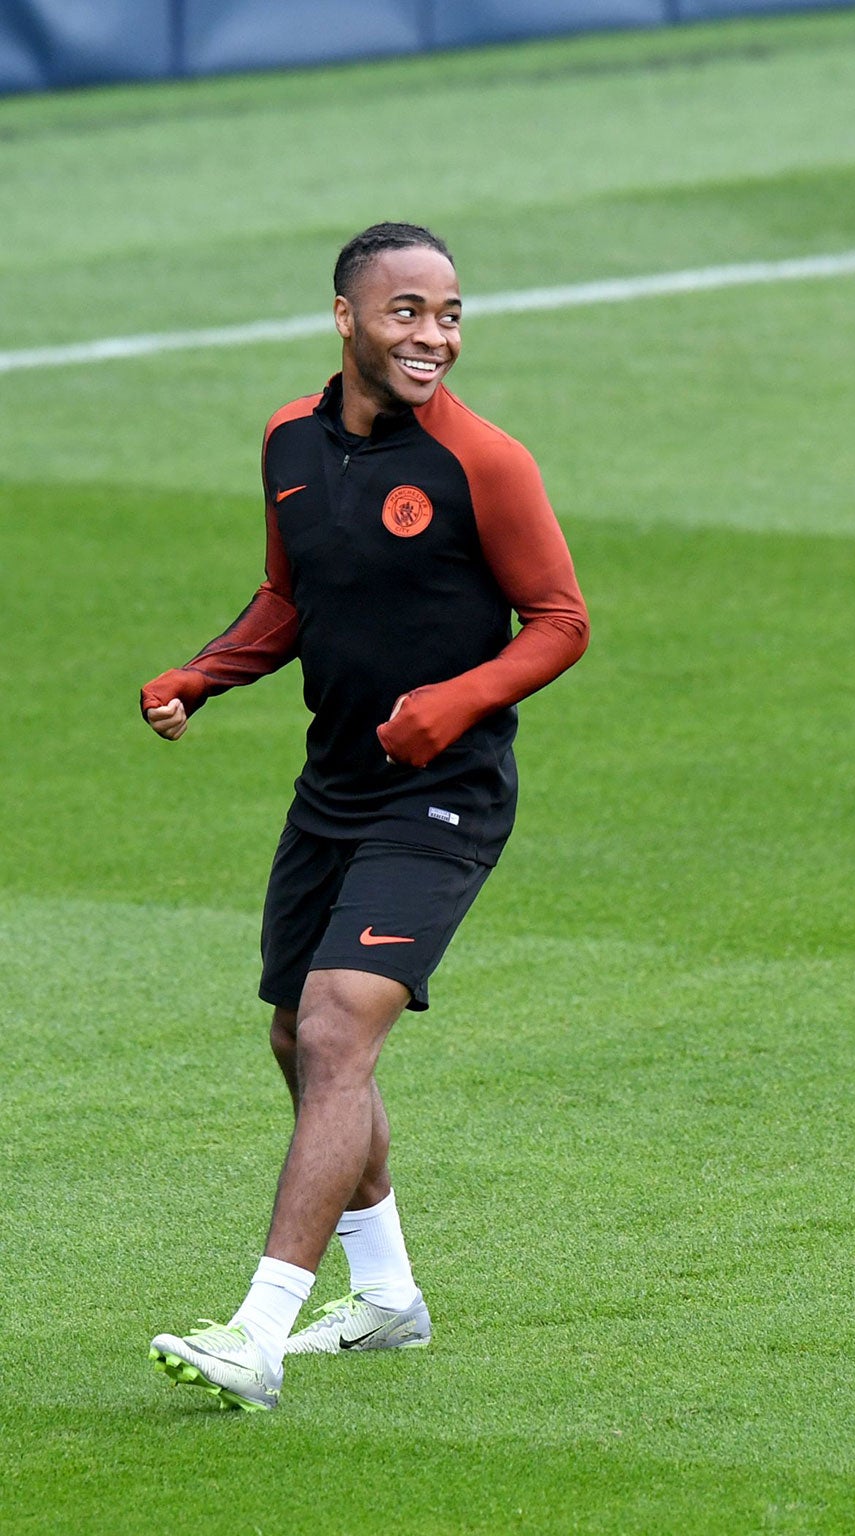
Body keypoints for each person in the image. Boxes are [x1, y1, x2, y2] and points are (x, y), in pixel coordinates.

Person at [140, 222, 590, 1411]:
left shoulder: (485, 461)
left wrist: (452, 706)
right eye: (406, 312)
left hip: (442, 795)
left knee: (339, 1030)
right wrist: (202, 675)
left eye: (448, 314)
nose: (432, 335)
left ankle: (258, 1329)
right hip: (332, 787)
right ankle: (387, 1299)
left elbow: (559, 620)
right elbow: (290, 596)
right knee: (298, 1041)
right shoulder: (291, 441)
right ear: (346, 318)